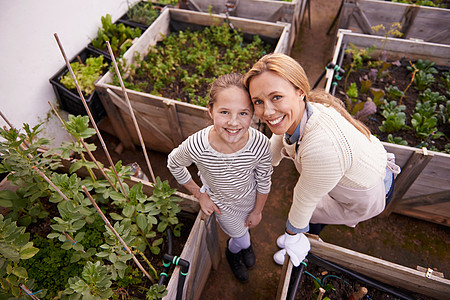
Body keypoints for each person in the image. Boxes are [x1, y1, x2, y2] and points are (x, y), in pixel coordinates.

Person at [243, 53, 400, 267]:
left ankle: (299, 244)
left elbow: (304, 199)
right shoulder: (305, 109)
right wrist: (256, 167)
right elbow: (279, 134)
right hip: (358, 165)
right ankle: (301, 235)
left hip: (371, 189)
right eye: (258, 102)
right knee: (312, 203)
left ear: (300, 91)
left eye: (276, 97)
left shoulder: (322, 148)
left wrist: (291, 234)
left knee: (313, 211)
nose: (267, 111)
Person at [167, 73, 273, 282]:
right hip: (223, 205)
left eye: (243, 113)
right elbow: (174, 163)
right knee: (240, 238)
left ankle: (243, 242)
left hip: (249, 199)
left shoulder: (260, 144)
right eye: (224, 112)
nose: (234, 123)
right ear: (210, 110)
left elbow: (264, 179)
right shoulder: (198, 145)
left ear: (253, 113)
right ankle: (234, 251)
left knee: (248, 228)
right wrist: (200, 195)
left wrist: (258, 210)